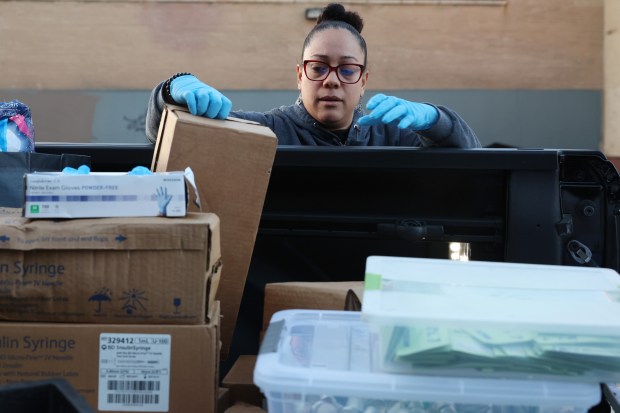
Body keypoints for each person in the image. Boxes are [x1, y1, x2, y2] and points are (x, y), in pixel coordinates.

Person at [145, 3, 481, 148]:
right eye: (318, 67)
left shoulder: (395, 138)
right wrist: (171, 90)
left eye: (347, 69)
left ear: (363, 81)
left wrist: (437, 120)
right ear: (299, 76)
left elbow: (471, 161)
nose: (331, 80)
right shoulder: (265, 132)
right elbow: (167, 136)